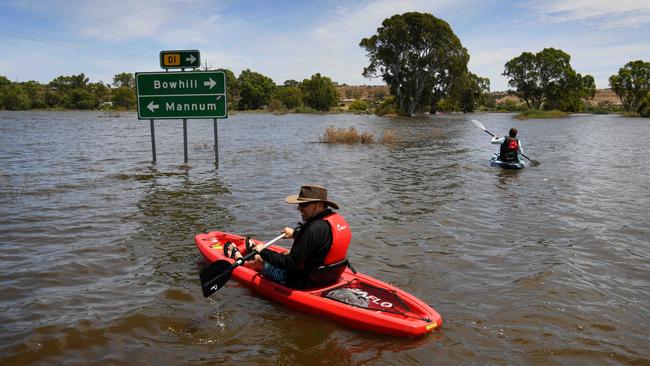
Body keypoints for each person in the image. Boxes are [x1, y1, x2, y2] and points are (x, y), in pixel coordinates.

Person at [223, 184, 352, 289]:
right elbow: (321, 242)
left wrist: (264, 252)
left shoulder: (312, 229)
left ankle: (241, 260)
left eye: (303, 205)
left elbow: (289, 264)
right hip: (331, 276)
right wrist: (295, 234)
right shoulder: (334, 221)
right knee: (286, 252)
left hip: (302, 282)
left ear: (319, 205)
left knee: (261, 262)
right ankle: (255, 252)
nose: (299, 208)